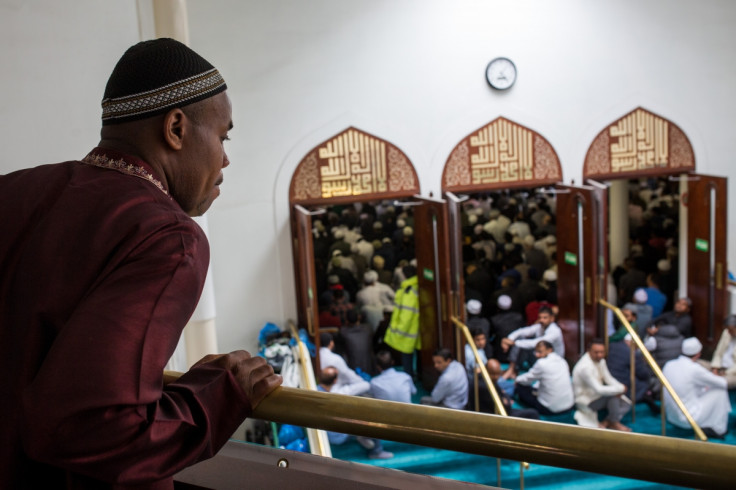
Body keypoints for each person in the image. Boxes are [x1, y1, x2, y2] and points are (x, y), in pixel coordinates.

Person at [0, 39, 284, 488]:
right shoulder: (165, 236)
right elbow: (92, 426)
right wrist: (218, 396)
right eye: (223, 136)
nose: (225, 158)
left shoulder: (13, 191)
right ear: (176, 128)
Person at [318, 367, 393, 459]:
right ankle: (376, 451)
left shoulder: (317, 390)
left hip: (332, 429)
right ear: (335, 380)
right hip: (337, 436)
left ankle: (362, 435)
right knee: (372, 419)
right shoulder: (333, 396)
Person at [663, 338, 732, 438]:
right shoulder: (694, 369)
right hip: (688, 418)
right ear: (698, 354)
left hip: (671, 417)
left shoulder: (669, 364)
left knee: (706, 387)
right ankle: (719, 429)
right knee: (719, 390)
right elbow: (722, 383)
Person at [572, 339, 631, 431]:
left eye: (602, 352)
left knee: (626, 404)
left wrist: (620, 387)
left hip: (598, 396)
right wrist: (620, 389)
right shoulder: (584, 367)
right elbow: (598, 389)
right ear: (589, 351)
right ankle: (614, 423)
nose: (599, 355)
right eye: (596, 352)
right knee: (613, 397)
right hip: (586, 400)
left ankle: (608, 421)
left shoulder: (601, 361)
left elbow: (609, 378)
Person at [501, 306, 564, 379]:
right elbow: (522, 331)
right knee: (521, 338)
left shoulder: (555, 331)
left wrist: (514, 343)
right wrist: (509, 339)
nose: (541, 320)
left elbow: (537, 343)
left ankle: (514, 370)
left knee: (522, 343)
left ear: (552, 318)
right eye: (540, 317)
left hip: (552, 362)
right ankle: (512, 369)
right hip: (539, 356)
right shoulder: (540, 327)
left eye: (545, 318)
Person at [515, 341, 574, 415]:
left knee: (520, 386)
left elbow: (525, 380)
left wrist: (516, 379)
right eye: (536, 352)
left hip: (550, 409)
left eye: (540, 352)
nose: (537, 355)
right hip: (569, 406)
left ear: (550, 350)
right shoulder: (563, 361)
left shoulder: (541, 363)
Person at [384, 265, 420, 379]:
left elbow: (406, 314)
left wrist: (399, 330)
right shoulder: (417, 286)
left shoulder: (408, 290)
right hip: (417, 328)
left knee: (407, 356)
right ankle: (418, 375)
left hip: (408, 330)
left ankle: (409, 378)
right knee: (418, 355)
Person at [340, 310, 375, 376]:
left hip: (353, 369)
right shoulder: (368, 329)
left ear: (347, 321)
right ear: (358, 318)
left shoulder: (344, 332)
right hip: (369, 368)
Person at [706, 314, 736, 388]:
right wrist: (715, 368)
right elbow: (718, 352)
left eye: (731, 330)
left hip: (731, 373)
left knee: (718, 383)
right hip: (720, 367)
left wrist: (725, 372)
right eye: (727, 329)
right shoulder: (727, 333)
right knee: (697, 365)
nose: (728, 332)